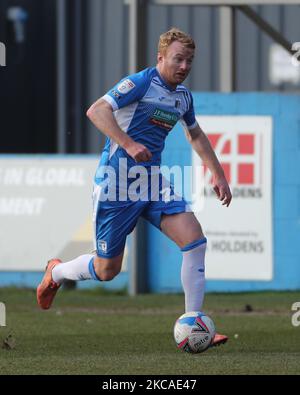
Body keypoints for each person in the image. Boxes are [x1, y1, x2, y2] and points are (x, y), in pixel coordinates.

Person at [37, 28, 232, 347]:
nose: (184, 66)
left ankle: (194, 322)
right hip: (116, 183)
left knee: (194, 240)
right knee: (107, 269)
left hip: (152, 181)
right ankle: (56, 273)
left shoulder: (183, 97)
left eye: (189, 61)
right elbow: (96, 110)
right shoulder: (141, 83)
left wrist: (218, 174)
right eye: (178, 59)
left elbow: (194, 134)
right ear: (161, 58)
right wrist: (127, 144)